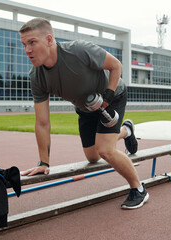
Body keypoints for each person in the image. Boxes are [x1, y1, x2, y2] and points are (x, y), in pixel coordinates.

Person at [19, 17, 148, 209]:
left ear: (48, 40)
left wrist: (107, 96)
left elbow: (116, 66)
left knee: (106, 150)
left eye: (32, 42)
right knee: (93, 157)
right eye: (23, 44)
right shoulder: (36, 77)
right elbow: (42, 122)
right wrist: (43, 162)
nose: (27, 50)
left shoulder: (78, 50)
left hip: (111, 96)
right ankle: (126, 131)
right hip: (85, 107)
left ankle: (138, 189)